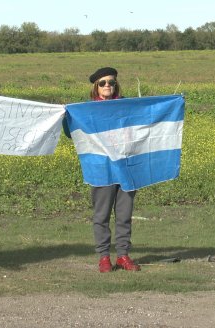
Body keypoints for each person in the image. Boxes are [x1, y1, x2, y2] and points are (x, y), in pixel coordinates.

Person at [65, 67, 140, 273]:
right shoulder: (87, 109)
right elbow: (70, 132)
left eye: (111, 82)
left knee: (124, 214)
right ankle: (104, 257)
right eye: (103, 83)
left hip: (126, 168)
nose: (108, 86)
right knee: (102, 215)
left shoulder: (127, 106)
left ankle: (123, 256)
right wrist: (67, 116)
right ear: (95, 87)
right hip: (101, 169)